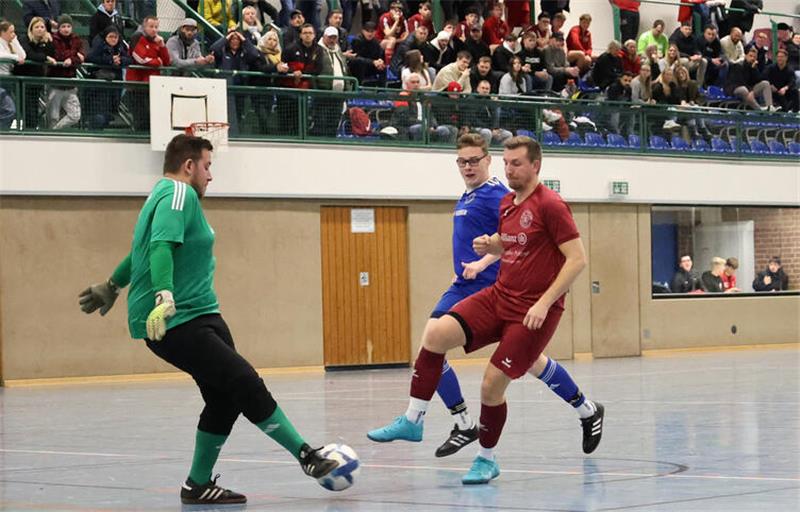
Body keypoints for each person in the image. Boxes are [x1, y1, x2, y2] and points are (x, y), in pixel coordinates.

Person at [78, 134, 341, 505]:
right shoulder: (179, 194)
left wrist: (112, 284)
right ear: (189, 166)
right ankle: (306, 456)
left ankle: (197, 485)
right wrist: (164, 296)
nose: (210, 176)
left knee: (224, 398)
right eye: (208, 166)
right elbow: (159, 248)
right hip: (178, 319)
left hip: (203, 313)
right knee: (243, 380)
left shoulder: (162, 195)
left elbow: (140, 252)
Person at [366, 136, 604, 485]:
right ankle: (414, 420)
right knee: (434, 334)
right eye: (507, 163)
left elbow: (578, 259)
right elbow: (512, 241)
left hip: (532, 309)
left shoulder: (551, 204)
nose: (510, 170)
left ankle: (486, 457)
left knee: (492, 385)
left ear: (536, 165)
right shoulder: (508, 202)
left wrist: (543, 301)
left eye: (516, 163)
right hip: (499, 295)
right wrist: (490, 249)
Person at [85, 26, 130, 129]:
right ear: (105, 37)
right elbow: (90, 57)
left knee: (108, 114)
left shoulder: (120, 47)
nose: (113, 39)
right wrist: (110, 60)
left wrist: (120, 60)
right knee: (99, 115)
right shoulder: (99, 46)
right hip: (99, 87)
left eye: (116, 37)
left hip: (114, 87)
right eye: (111, 37)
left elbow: (129, 59)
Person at [17, 16, 55, 130]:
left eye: (42, 27)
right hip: (22, 80)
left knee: (35, 110)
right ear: (31, 29)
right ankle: (26, 131)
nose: (40, 29)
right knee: (28, 110)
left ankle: (32, 129)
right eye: (37, 27)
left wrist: (48, 42)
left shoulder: (45, 41)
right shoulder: (24, 39)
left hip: (37, 81)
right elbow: (29, 54)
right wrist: (45, 57)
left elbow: (52, 53)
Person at [48, 15, 83, 130]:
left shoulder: (77, 39)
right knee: (53, 117)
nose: (66, 29)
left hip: (70, 85)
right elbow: (57, 55)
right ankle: (50, 137)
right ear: (58, 27)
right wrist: (74, 56)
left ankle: (54, 132)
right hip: (55, 84)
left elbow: (82, 57)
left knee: (75, 115)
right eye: (63, 26)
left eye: (68, 26)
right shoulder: (52, 39)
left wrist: (72, 59)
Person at [725, 46, 775, 111]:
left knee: (765, 83)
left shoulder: (752, 66)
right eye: (750, 56)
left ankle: (770, 106)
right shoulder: (738, 65)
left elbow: (758, 80)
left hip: (748, 89)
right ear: (746, 56)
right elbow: (740, 82)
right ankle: (759, 109)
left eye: (754, 57)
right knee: (744, 89)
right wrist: (751, 92)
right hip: (734, 88)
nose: (752, 58)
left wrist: (754, 69)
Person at [0, 20, 25, 130]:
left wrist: (15, 41)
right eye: (11, 32)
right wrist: (14, 57)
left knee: (9, 110)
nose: (13, 34)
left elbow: (22, 55)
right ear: (3, 32)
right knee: (10, 110)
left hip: (8, 81)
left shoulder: (10, 44)